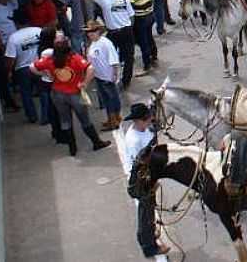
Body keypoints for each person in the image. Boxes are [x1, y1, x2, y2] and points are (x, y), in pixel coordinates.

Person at [31, 35, 112, 156]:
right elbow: (90, 68)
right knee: (84, 120)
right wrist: (85, 83)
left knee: (65, 121)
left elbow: (32, 67)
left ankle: (72, 148)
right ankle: (96, 142)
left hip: (57, 94)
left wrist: (46, 75)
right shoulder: (74, 58)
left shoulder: (50, 60)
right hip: (74, 94)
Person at [123, 103, 171, 259]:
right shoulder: (133, 140)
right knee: (146, 213)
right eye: (148, 119)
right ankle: (149, 247)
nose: (151, 120)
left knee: (149, 210)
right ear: (139, 121)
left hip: (149, 175)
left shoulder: (144, 130)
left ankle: (147, 234)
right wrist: (152, 181)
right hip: (142, 180)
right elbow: (140, 167)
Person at [82, 0, 136, 89]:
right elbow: (131, 16)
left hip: (113, 32)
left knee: (106, 55)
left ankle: (106, 77)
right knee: (129, 57)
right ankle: (126, 80)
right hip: (126, 30)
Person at [4, 9, 43, 123]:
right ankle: (47, 114)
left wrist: (9, 72)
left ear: (16, 22)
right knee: (44, 92)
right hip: (39, 65)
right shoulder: (38, 31)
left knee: (26, 94)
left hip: (23, 69)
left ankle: (32, 116)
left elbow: (10, 58)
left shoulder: (14, 38)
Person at [84, 19, 122, 131]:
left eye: (93, 31)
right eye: (88, 32)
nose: (90, 33)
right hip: (99, 76)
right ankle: (113, 118)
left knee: (110, 99)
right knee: (108, 99)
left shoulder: (105, 43)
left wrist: (115, 74)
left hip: (107, 77)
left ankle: (113, 120)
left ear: (98, 31)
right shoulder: (93, 43)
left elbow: (114, 60)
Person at [122, 0, 156, 72]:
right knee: (149, 36)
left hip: (140, 18)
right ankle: (154, 55)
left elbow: (130, 8)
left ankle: (147, 64)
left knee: (143, 41)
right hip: (150, 14)